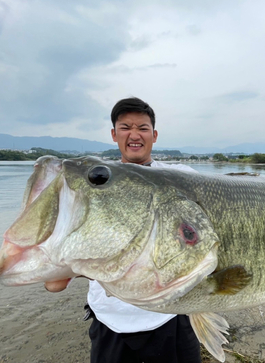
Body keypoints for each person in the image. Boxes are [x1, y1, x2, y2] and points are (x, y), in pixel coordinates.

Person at [45, 97, 202, 363]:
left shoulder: (180, 177)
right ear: (114, 134)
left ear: (154, 135)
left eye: (142, 127)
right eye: (125, 127)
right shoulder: (93, 187)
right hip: (110, 321)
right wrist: (95, 266)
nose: (134, 134)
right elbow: (54, 283)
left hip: (169, 316)